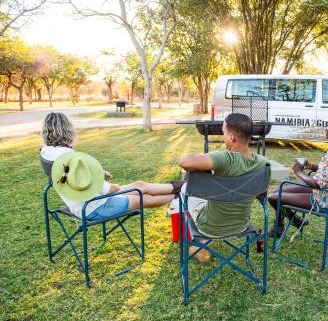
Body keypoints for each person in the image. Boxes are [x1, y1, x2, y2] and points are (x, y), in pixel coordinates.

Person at [41, 112, 183, 220]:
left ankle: (181, 187)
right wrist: (112, 185)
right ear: (67, 130)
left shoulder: (46, 152)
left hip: (83, 202)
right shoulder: (70, 157)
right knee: (143, 197)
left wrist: (98, 174)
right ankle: (182, 194)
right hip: (95, 206)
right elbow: (108, 190)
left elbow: (73, 176)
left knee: (140, 185)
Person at [178, 113, 268, 262]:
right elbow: (258, 192)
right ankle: (202, 246)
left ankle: (201, 244)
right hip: (241, 226)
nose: (223, 136)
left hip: (209, 228)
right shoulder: (264, 163)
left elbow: (185, 162)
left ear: (231, 138)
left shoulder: (225, 158)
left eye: (224, 133)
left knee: (185, 187)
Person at [268, 109, 328, 237]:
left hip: (324, 200)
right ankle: (292, 220)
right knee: (277, 191)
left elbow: (317, 184)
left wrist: (298, 172)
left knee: (273, 197)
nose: (326, 128)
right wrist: (311, 166)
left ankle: (282, 225)